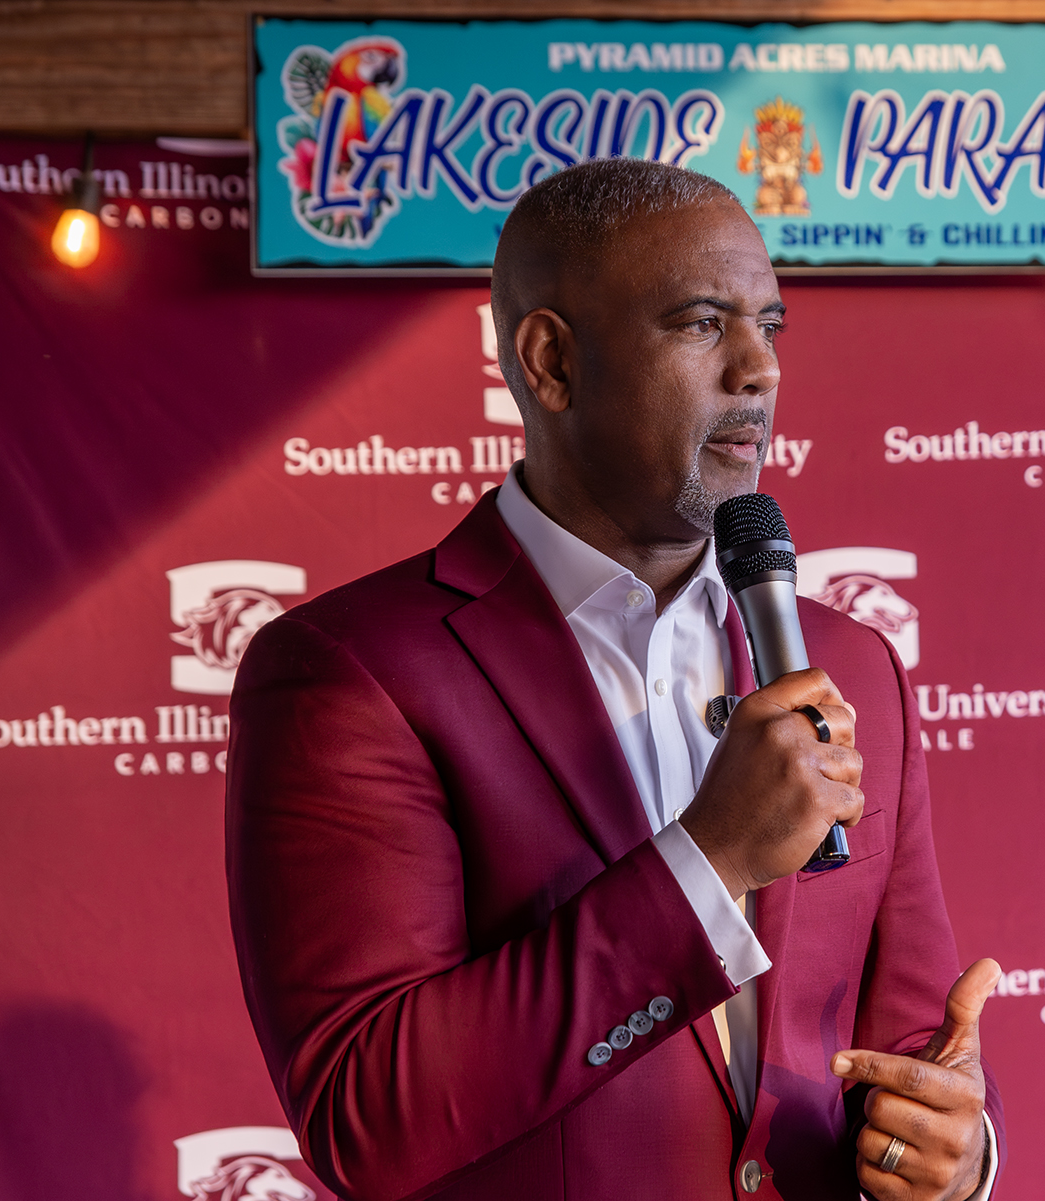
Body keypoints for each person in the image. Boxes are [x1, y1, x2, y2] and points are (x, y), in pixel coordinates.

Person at [225, 158, 1005, 1201]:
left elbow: (907, 1043)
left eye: (769, 326)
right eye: (699, 323)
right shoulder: (350, 671)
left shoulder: (850, 659)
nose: (759, 369)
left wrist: (955, 1152)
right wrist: (712, 855)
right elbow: (369, 1116)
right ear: (550, 361)